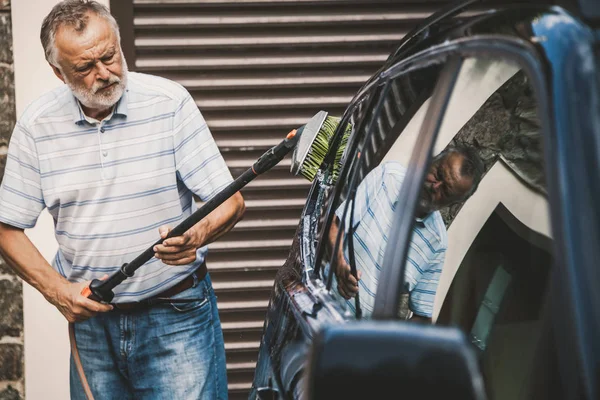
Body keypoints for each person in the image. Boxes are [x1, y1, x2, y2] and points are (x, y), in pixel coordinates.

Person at [0, 1, 244, 398]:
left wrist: (196, 235)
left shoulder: (170, 103)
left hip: (176, 315)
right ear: (58, 73)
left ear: (119, 44)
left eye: (110, 56)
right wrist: (57, 290)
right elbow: (7, 228)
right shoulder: (36, 126)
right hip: (93, 327)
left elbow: (230, 202)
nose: (104, 74)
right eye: (85, 68)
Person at [330, 145, 483, 322]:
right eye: (438, 174)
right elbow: (336, 225)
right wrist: (339, 263)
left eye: (445, 191)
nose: (435, 186)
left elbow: (422, 317)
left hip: (356, 343)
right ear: (431, 160)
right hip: (320, 306)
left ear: (451, 203)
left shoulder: (437, 243)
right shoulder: (388, 177)